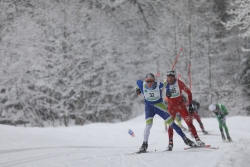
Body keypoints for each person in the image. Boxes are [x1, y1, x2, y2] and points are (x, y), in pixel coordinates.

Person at [136, 73, 196, 152]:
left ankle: (186, 139)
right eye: (147, 81)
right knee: (148, 125)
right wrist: (137, 89)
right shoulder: (142, 85)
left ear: (154, 80)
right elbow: (138, 82)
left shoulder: (159, 85)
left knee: (172, 124)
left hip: (159, 107)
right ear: (145, 81)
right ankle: (144, 144)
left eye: (151, 81)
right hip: (149, 108)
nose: (149, 83)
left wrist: (168, 91)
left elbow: (167, 83)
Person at [165, 70, 205, 151]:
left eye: (171, 77)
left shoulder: (179, 83)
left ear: (174, 77)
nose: (169, 79)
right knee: (171, 125)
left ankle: (197, 140)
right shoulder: (165, 84)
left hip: (181, 106)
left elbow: (189, 93)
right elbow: (156, 89)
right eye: (168, 77)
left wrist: (190, 104)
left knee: (189, 122)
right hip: (171, 108)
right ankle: (170, 144)